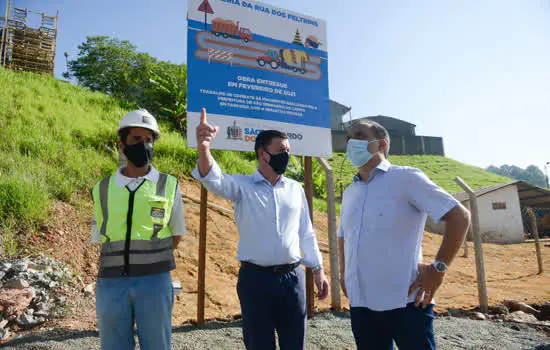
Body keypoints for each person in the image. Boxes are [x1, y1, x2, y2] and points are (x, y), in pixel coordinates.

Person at [192, 108, 329, 350]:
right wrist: (204, 148)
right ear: (262, 154)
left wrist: (318, 269)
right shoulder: (243, 186)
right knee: (259, 344)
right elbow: (214, 179)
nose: (285, 156)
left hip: (292, 279)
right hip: (256, 280)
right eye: (280, 151)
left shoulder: (295, 189)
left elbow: (305, 231)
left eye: (287, 151)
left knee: (294, 342)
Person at [338, 120, 471, 350]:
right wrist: (343, 275)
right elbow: (343, 236)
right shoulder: (351, 191)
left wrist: (438, 268)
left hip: (406, 302)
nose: (351, 141)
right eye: (348, 137)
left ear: (381, 144)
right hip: (361, 304)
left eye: (359, 134)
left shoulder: (406, 179)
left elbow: (459, 217)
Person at [91, 109, 186, 350]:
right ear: (122, 144)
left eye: (149, 140)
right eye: (136, 139)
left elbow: (177, 234)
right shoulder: (102, 189)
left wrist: (149, 263)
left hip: (155, 282)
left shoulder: (169, 185)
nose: (144, 145)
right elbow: (100, 236)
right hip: (111, 283)